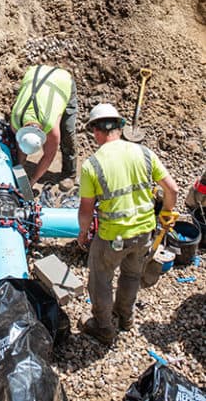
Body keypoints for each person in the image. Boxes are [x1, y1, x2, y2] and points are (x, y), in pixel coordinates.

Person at [77, 103, 178, 345]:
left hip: (113, 236)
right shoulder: (143, 153)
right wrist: (166, 212)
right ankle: (125, 318)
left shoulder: (93, 165)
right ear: (120, 128)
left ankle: (103, 327)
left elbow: (86, 209)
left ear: (96, 131)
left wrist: (83, 233)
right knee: (131, 276)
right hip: (144, 232)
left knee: (100, 280)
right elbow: (172, 189)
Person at [10, 64, 78, 187]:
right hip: (35, 73)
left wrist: (32, 181)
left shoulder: (50, 126)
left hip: (61, 82)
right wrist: (19, 172)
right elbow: (20, 147)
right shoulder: (15, 120)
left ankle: (70, 174)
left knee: (67, 133)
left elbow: (48, 155)